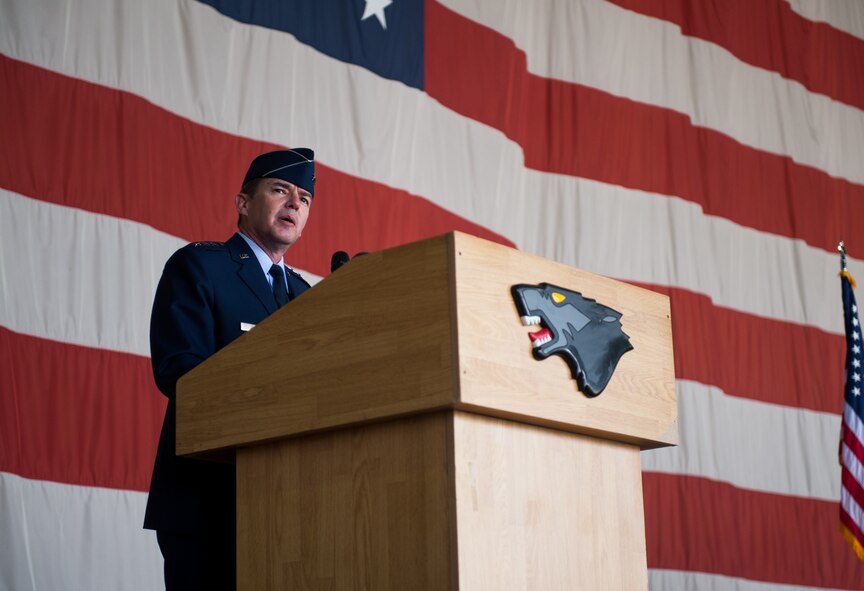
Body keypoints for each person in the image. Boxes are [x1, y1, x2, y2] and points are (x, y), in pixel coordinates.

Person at [143, 149, 316, 590]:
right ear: (243, 203)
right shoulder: (201, 266)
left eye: (304, 199)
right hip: (207, 500)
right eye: (280, 191)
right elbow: (180, 371)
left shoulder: (306, 296)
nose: (294, 204)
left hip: (287, 507)